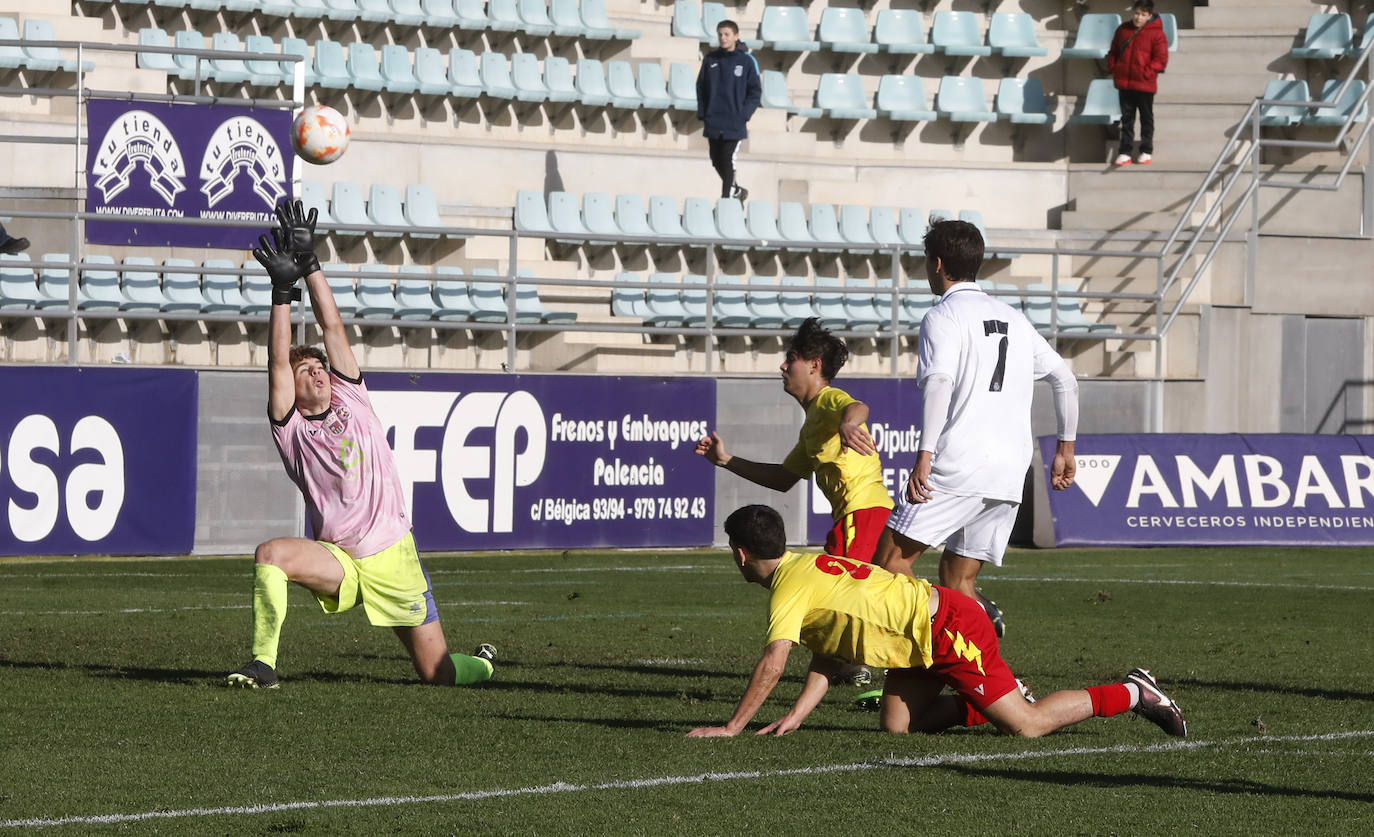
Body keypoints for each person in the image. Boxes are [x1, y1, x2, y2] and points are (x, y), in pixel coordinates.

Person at [225, 199, 496, 689]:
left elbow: (332, 328)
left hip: (394, 554)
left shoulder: (352, 392)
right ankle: (262, 664)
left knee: (439, 673)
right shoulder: (292, 429)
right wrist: (281, 292)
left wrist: (310, 266)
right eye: (307, 370)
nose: (318, 371)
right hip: (341, 558)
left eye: (319, 366)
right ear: (294, 387)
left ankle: (485, 662)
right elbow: (277, 362)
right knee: (270, 554)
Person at [686, 504, 1186, 739]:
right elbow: (828, 649)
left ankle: (1134, 693)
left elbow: (774, 663)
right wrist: (797, 716)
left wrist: (732, 728)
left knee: (1027, 727)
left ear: (740, 553)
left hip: (949, 628)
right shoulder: (806, 566)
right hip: (919, 639)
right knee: (898, 726)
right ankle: (995, 699)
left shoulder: (787, 590)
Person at [872, 220, 1079, 637]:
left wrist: (924, 456)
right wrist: (1065, 449)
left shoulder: (943, 315)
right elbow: (1066, 380)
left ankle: (909, 662)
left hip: (958, 464)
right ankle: (995, 686)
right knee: (959, 580)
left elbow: (940, 382)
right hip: (1008, 471)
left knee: (890, 565)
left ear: (937, 264)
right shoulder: (1014, 319)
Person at [695, 317, 893, 564]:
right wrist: (726, 460)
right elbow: (783, 478)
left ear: (814, 365)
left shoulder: (827, 399)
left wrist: (849, 424)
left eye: (791, 359)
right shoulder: (812, 424)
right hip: (865, 515)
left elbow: (856, 406)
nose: (783, 366)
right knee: (883, 595)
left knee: (841, 593)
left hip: (862, 515)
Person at [696, 19, 761, 203]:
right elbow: (701, 88)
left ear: (736, 36)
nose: (723, 38)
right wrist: (704, 113)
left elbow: (755, 92)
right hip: (714, 120)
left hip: (735, 122)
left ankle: (727, 198)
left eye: (727, 34)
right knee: (716, 160)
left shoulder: (747, 61)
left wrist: (744, 114)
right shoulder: (711, 60)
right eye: (720, 34)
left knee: (728, 158)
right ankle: (737, 191)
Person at [1107, 0, 1169, 166]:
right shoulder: (1123, 29)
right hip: (1124, 82)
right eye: (1136, 13)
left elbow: (1161, 59)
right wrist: (1113, 67)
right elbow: (1113, 50)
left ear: (1149, 16)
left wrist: (1146, 72)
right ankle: (1125, 152)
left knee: (1146, 118)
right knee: (1127, 118)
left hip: (1144, 82)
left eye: (1143, 14)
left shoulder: (1157, 34)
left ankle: (1146, 151)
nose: (1138, 17)